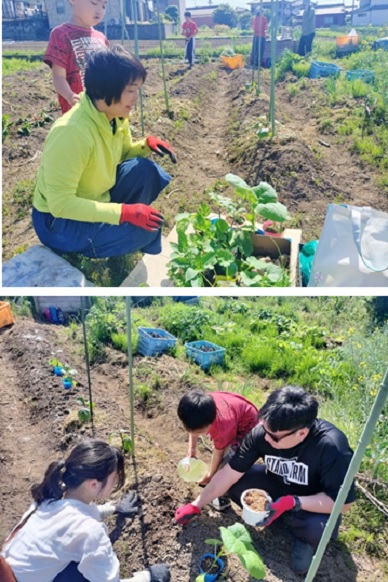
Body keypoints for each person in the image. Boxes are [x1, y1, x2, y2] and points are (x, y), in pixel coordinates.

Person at [175, 386, 356, 576]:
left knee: (317, 529)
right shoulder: (262, 433)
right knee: (235, 484)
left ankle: (304, 540)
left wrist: (293, 502)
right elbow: (229, 473)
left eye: (273, 437)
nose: (265, 438)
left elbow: (343, 503)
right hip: (276, 484)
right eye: (263, 428)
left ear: (301, 433)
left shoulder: (332, 447)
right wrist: (197, 504)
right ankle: (278, 517)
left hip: (312, 500)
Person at [32, 45, 177, 260]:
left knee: (145, 170)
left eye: (138, 90)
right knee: (147, 230)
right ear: (105, 88)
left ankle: (112, 231)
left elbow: (123, 153)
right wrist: (123, 213)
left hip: (95, 195)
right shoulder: (71, 132)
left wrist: (146, 145)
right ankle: (91, 243)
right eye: (130, 90)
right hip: (57, 222)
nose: (136, 98)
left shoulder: (114, 116)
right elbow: (60, 204)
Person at [1, 439, 170, 582]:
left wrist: (114, 509)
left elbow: (80, 514)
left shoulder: (51, 497)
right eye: (113, 479)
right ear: (94, 484)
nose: (115, 483)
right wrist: (148, 576)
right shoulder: (90, 532)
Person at [177, 390, 259, 509]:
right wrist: (192, 449)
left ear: (211, 422)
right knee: (221, 447)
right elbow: (192, 428)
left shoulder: (222, 427)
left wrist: (211, 476)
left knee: (226, 466)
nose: (195, 433)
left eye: (200, 432)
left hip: (248, 427)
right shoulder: (198, 409)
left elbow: (219, 452)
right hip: (235, 416)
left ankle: (222, 498)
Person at [44, 0, 109, 114]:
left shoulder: (101, 38)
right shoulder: (61, 34)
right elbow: (58, 77)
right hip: (77, 112)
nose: (99, 10)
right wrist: (70, 96)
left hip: (102, 110)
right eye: (94, 3)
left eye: (103, 5)